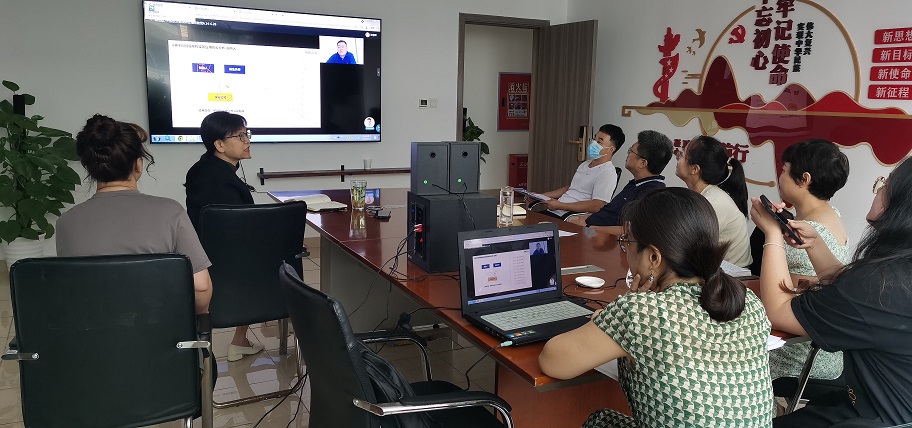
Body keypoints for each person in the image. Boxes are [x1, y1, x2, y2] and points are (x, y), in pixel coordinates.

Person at [540, 188, 773, 427]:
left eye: (627, 242)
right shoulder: (749, 301)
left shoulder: (642, 313)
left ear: (653, 257)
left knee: (600, 421)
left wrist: (606, 317)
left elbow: (552, 362)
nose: (625, 250)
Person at [752, 157, 912, 427]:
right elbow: (849, 288)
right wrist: (815, 244)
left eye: (885, 184)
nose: (879, 189)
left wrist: (772, 234)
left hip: (876, 419)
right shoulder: (896, 276)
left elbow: (778, 311)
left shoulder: (881, 283)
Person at [56, 114, 212, 315]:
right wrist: (198, 321)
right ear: (138, 164)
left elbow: (74, 287)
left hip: (90, 330)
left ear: (89, 168)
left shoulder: (66, 221)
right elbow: (201, 287)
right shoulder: (171, 212)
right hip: (160, 329)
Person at [764, 139, 850, 383]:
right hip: (825, 355)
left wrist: (771, 232)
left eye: (784, 170)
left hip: (797, 358)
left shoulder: (810, 233)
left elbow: (778, 292)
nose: (780, 177)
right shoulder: (831, 215)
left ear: (804, 179)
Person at [185, 111, 261, 362]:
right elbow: (241, 231)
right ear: (219, 144)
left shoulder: (199, 169)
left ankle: (241, 340)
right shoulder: (225, 182)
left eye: (247, 134)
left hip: (202, 256)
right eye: (240, 136)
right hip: (231, 262)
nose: (247, 140)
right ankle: (243, 338)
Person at [568, 130, 673, 236]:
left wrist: (588, 227)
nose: (627, 154)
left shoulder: (651, 194)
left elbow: (631, 231)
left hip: (598, 238)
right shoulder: (635, 184)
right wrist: (585, 218)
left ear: (642, 163)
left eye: (631, 151)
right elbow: (611, 212)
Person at [675, 135, 752, 267]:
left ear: (694, 169)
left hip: (731, 276)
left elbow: (685, 245)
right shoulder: (705, 196)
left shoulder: (714, 202)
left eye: (682, 155)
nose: (677, 158)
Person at [531, 124, 625, 218]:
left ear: (611, 149)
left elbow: (597, 205)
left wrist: (560, 205)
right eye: (594, 139)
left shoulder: (607, 172)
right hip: (556, 211)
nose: (593, 143)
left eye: (599, 142)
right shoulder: (585, 164)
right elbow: (572, 188)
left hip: (569, 217)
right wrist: (541, 196)